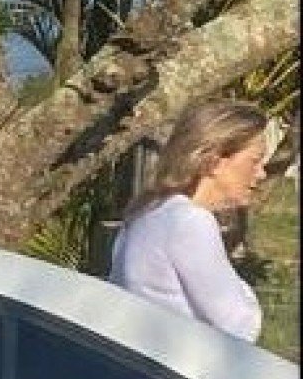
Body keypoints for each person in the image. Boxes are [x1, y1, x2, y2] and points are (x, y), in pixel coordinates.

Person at [110, 99, 272, 341]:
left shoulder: (148, 211)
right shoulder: (190, 222)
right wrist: (246, 294)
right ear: (215, 161)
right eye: (254, 161)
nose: (261, 173)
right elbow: (240, 324)